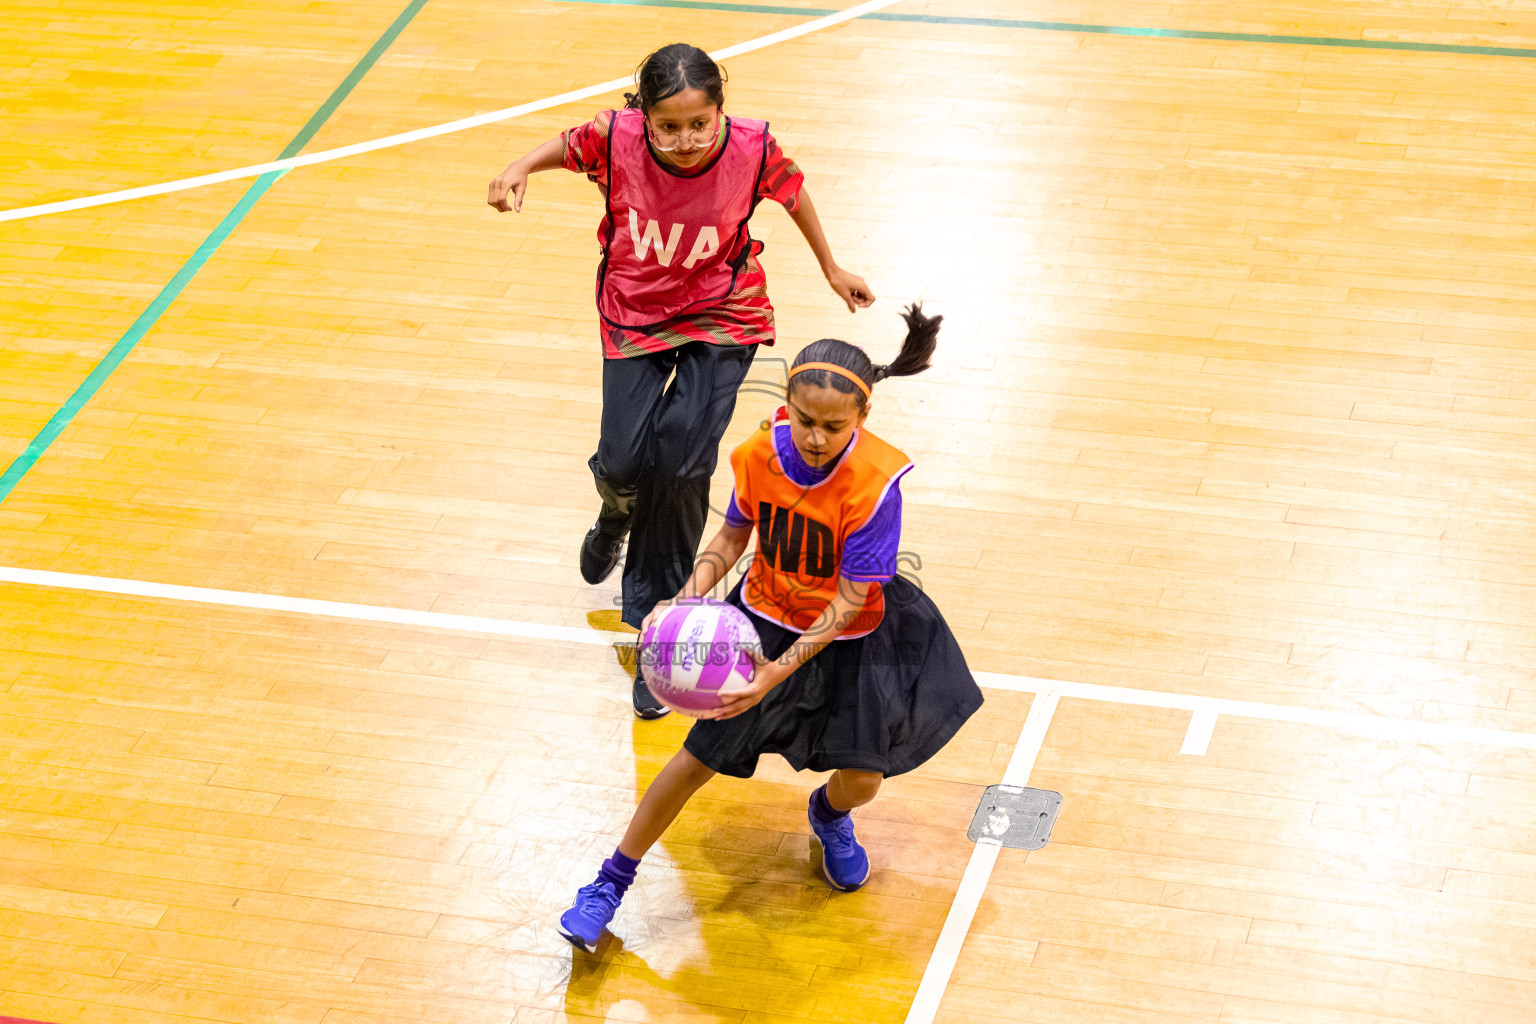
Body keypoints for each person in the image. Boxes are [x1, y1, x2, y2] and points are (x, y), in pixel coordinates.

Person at [557, 304, 984, 953]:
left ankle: (829, 815)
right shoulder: (759, 453)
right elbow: (733, 536)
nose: (815, 436)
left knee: (863, 779)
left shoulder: (876, 486)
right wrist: (685, 598)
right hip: (762, 620)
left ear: (862, 418)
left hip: (850, 637)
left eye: (833, 427)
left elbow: (850, 598)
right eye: (805, 420)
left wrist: (776, 675)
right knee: (694, 760)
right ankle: (608, 883)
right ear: (787, 404)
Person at [488, 43, 875, 719]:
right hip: (634, 313)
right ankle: (617, 509)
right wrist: (518, 166)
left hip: (724, 314)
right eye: (670, 127)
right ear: (646, 117)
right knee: (624, 461)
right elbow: (566, 146)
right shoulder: (615, 138)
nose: (687, 139)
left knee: (683, 462)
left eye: (701, 124)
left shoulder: (752, 148)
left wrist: (831, 267)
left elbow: (794, 194)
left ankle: (654, 630)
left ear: (721, 111)